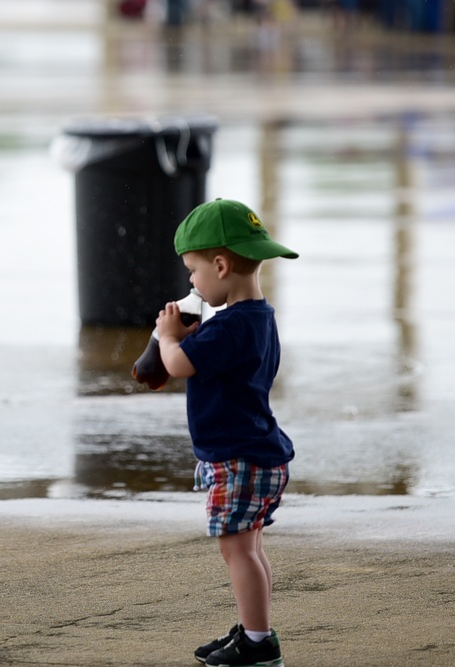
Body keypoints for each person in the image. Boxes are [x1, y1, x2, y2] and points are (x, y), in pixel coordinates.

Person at [155, 199, 296, 666]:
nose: (191, 282)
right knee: (249, 547)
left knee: (237, 549)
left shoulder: (231, 326)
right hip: (256, 451)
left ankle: (258, 642)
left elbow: (177, 365)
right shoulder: (256, 317)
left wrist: (169, 336)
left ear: (220, 264)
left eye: (193, 270)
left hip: (239, 457)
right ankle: (254, 629)